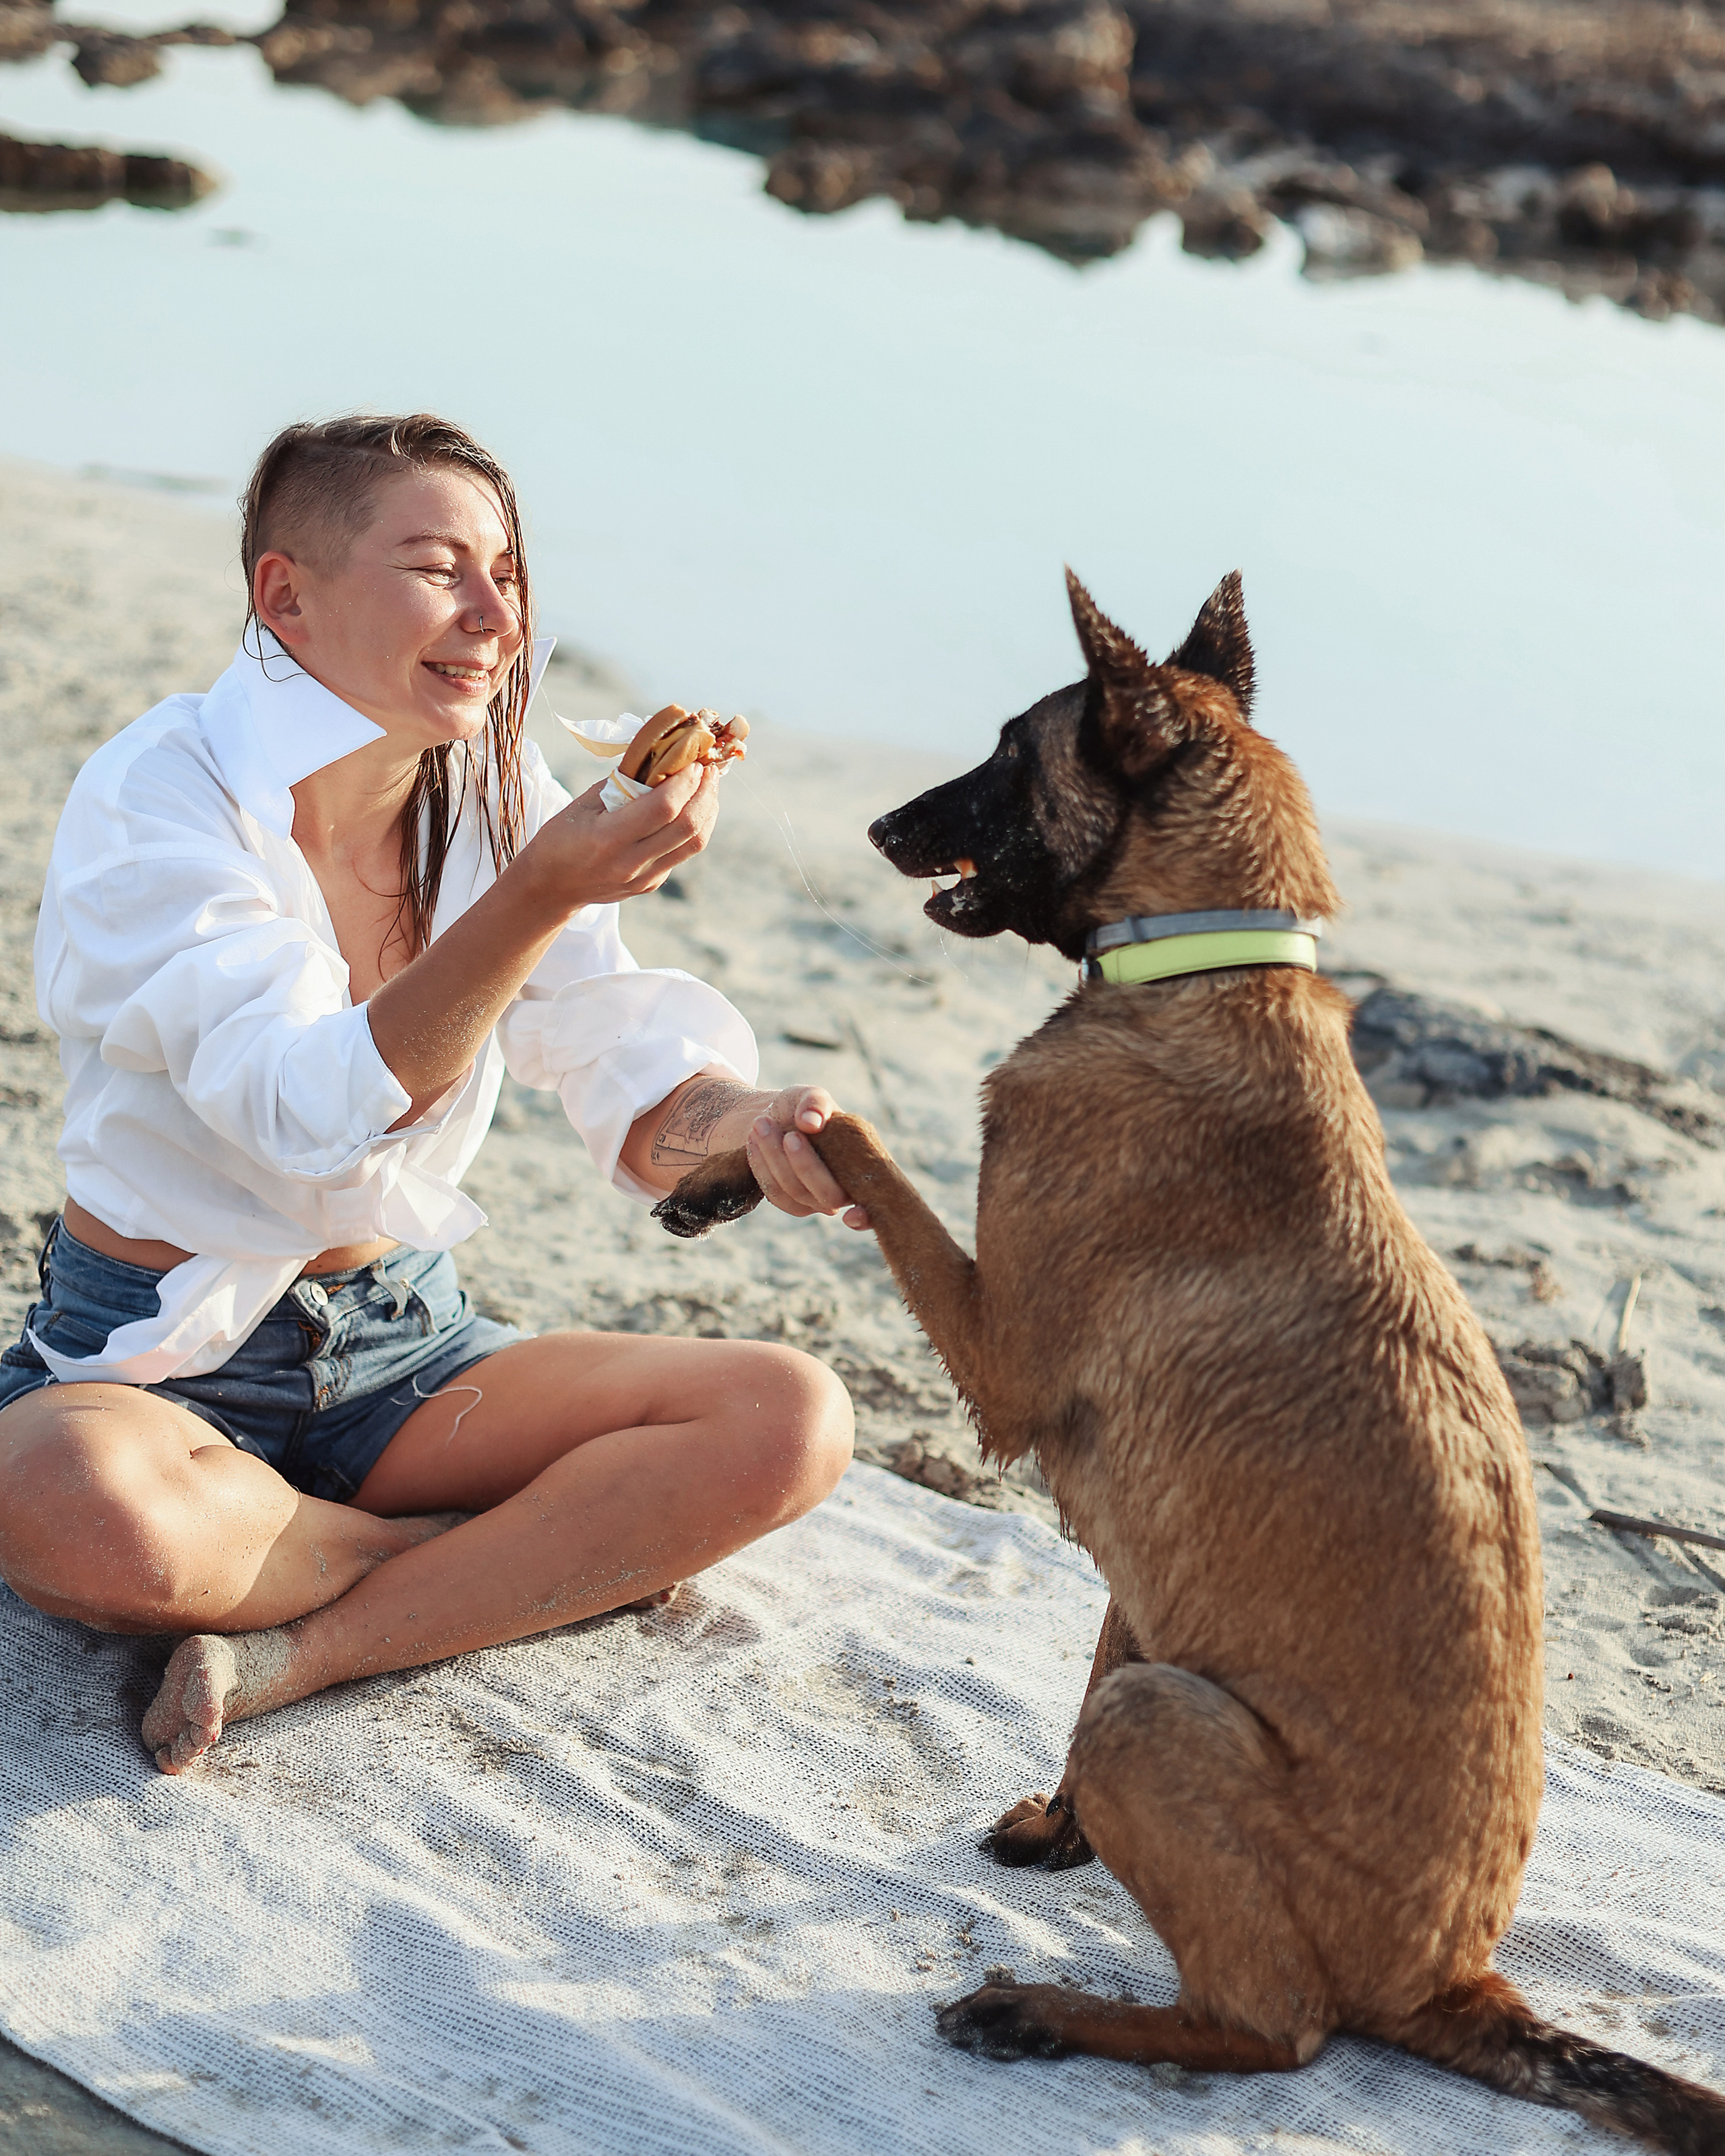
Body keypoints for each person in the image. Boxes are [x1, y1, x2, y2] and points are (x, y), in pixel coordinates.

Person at [0, 414, 862, 1774]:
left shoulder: (495, 787)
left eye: (508, 573)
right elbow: (303, 1102)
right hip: (164, 1362)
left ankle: (308, 1642)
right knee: (72, 1508)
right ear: (285, 593)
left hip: (405, 1347)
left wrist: (748, 1126)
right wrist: (536, 892)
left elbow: (619, 1065)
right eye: (438, 567)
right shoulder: (158, 800)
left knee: (790, 1416)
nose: (493, 616)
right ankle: (478, 1559)